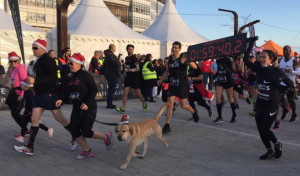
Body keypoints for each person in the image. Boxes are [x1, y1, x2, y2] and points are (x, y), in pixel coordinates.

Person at [14, 39, 71, 155]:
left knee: (60, 119)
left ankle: (75, 135)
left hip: (49, 94)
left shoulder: (48, 60)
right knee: (34, 119)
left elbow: (53, 78)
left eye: (35, 48)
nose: (33, 50)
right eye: (32, 48)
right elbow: (36, 78)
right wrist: (26, 84)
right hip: (39, 94)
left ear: (42, 48)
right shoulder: (38, 60)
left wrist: (35, 80)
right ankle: (30, 147)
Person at [56, 53, 113, 159]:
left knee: (86, 131)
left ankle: (106, 137)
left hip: (89, 107)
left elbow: (94, 89)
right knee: (74, 130)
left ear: (79, 64)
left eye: (71, 63)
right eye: (69, 63)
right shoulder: (71, 77)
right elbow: (67, 92)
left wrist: (86, 103)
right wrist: (61, 99)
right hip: (76, 108)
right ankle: (87, 151)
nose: (70, 65)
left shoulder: (85, 75)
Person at [244, 39, 293, 160]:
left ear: (271, 59)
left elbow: (290, 84)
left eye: (264, 57)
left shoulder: (277, 71)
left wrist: (280, 93)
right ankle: (269, 150)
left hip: (272, 104)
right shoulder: (258, 68)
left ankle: (277, 144)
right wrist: (250, 44)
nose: (261, 59)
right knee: (261, 129)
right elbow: (245, 59)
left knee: (265, 128)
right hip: (260, 103)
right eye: (260, 57)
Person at [157, 41, 199, 134]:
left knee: (183, 105)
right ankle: (167, 125)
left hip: (182, 85)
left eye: (176, 47)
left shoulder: (183, 58)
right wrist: (162, 79)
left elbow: (195, 67)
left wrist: (189, 60)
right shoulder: (171, 59)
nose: (174, 49)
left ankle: (193, 111)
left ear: (179, 49)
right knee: (170, 104)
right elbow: (168, 71)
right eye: (173, 47)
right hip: (172, 85)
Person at [14, 78, 53, 143]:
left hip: (29, 111)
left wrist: (30, 112)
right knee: (30, 123)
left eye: (22, 85)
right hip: (28, 111)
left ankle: (22, 136)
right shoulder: (27, 91)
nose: (21, 86)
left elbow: (32, 103)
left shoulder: (29, 93)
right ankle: (48, 129)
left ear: (26, 86)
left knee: (24, 123)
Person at [116, 44, 147, 114]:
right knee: (125, 93)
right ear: (127, 50)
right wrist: (125, 69)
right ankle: (123, 108)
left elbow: (138, 69)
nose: (131, 50)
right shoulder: (126, 58)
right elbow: (127, 66)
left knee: (137, 92)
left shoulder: (134, 58)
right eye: (130, 49)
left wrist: (129, 70)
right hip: (128, 77)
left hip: (134, 77)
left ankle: (144, 103)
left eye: (132, 49)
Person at [5, 52, 27, 135]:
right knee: (14, 113)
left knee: (15, 113)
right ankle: (26, 127)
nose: (13, 63)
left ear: (18, 61)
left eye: (15, 61)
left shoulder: (21, 69)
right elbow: (13, 82)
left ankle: (31, 122)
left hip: (20, 94)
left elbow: (24, 82)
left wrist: (22, 94)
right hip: (14, 92)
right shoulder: (11, 70)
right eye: (11, 61)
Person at [213, 56, 237, 123]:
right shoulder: (217, 61)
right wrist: (214, 76)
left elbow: (231, 71)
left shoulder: (228, 60)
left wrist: (226, 67)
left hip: (228, 81)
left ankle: (234, 114)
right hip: (220, 80)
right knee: (218, 99)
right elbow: (218, 70)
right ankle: (220, 117)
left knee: (230, 98)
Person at [279, 45, 299, 122]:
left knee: (290, 100)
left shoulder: (294, 61)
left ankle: (294, 114)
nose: (285, 52)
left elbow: (299, 71)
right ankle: (285, 109)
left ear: (290, 51)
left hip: (290, 83)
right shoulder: (282, 59)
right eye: (284, 51)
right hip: (282, 83)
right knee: (278, 97)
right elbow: (280, 68)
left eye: (286, 51)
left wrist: (292, 71)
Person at [103, 44, 121, 109]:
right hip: (112, 74)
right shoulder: (110, 55)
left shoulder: (108, 55)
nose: (115, 49)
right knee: (111, 90)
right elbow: (115, 63)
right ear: (112, 48)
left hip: (110, 74)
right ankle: (109, 104)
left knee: (111, 89)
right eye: (115, 48)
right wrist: (118, 61)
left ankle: (110, 103)